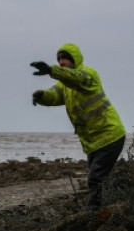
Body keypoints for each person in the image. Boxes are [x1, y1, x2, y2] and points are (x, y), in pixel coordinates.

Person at [30, 43, 126, 208]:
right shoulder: (64, 85)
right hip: (93, 142)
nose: (61, 61)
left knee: (95, 178)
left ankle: (94, 211)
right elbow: (54, 95)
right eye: (59, 59)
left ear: (75, 59)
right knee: (101, 178)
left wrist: (52, 70)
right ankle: (113, 204)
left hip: (110, 135)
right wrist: (42, 96)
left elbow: (76, 78)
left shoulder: (89, 74)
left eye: (65, 58)